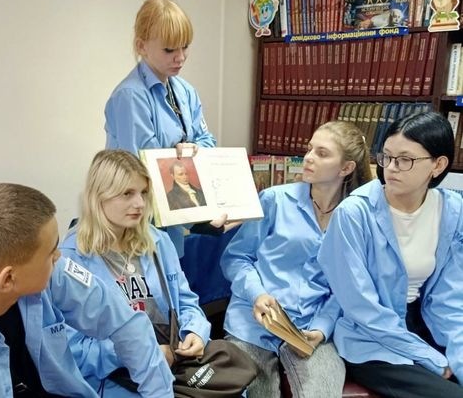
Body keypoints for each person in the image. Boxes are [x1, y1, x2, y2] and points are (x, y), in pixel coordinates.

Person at [0, 183, 174, 397]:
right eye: (52, 252)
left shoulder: (38, 273)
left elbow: (124, 322)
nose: (60, 257)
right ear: (8, 279)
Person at [221, 121, 373, 398]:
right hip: (253, 321)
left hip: (310, 328)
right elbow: (236, 258)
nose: (309, 157)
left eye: (322, 153)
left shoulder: (356, 218)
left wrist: (322, 329)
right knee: (258, 392)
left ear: (346, 168)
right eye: (309, 149)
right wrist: (257, 294)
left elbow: (347, 287)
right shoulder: (274, 199)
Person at [317, 112, 463, 397]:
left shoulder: (452, 211)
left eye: (405, 160)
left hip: (428, 323)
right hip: (372, 337)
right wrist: (431, 358)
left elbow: (450, 299)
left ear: (438, 165)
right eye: (386, 157)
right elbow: (361, 307)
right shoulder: (354, 213)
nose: (391, 168)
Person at [59, 150, 211, 397]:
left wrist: (195, 331)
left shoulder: (158, 242)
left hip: (172, 363)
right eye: (127, 194)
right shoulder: (70, 259)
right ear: (99, 196)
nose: (140, 203)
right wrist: (140, 352)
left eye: (143, 192)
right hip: (114, 378)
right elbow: (73, 352)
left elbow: (185, 301)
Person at [104, 0, 224, 256]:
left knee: (172, 275)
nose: (180, 57)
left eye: (185, 47)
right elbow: (145, 169)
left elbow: (207, 140)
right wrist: (198, 217)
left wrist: (193, 149)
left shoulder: (185, 91)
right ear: (142, 46)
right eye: (169, 50)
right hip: (137, 221)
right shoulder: (130, 97)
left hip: (174, 219)